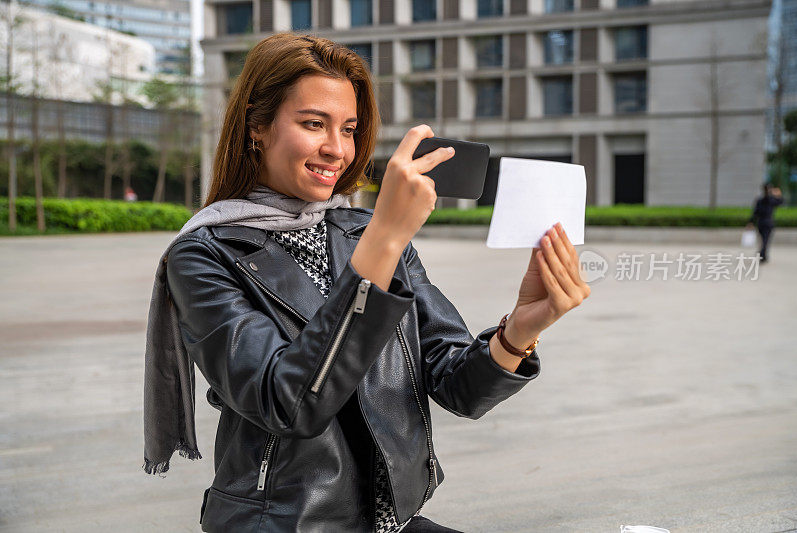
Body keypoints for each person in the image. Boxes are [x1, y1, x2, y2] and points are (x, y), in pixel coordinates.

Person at [143, 33, 590, 532]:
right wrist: (385, 238)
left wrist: (520, 331)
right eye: (314, 124)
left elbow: (457, 385)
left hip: (387, 521)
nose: (337, 149)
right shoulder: (204, 255)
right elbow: (287, 402)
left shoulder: (360, 232)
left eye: (350, 129)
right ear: (257, 127)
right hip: (287, 523)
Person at [746, 183, 783, 263]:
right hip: (768, 222)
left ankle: (763, 255)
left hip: (761, 223)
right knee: (766, 240)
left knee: (763, 240)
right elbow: (781, 202)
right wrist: (778, 194)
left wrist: (750, 222)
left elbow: (755, 213)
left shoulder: (759, 200)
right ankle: (762, 254)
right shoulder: (772, 200)